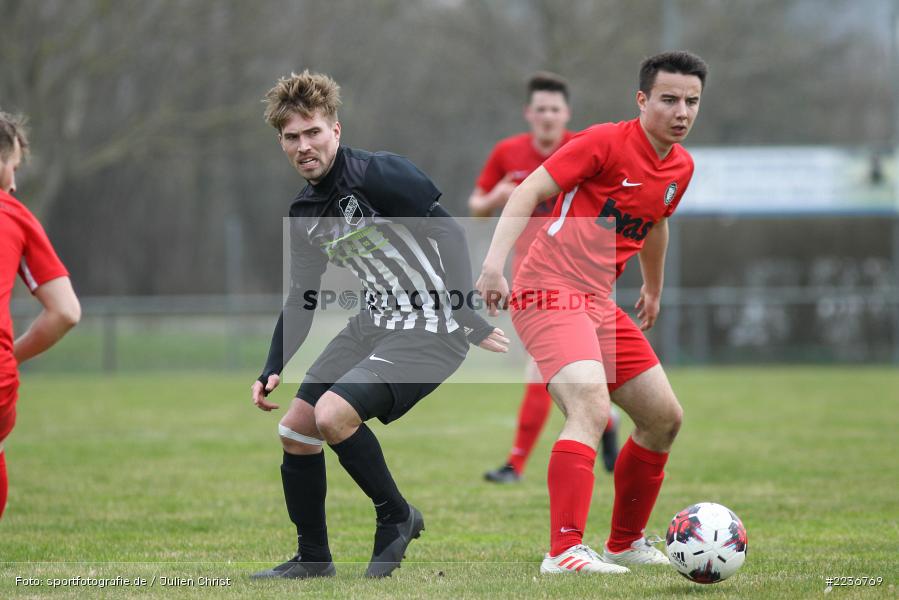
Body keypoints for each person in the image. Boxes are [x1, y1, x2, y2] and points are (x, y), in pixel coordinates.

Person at [250, 70, 508, 580]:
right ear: (281, 143)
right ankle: (313, 560)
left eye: (313, 132)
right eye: (292, 137)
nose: (305, 145)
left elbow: (451, 234)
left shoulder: (376, 173)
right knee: (296, 431)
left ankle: (397, 516)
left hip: (431, 326)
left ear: (336, 130)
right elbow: (303, 297)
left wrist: (464, 314)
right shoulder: (304, 212)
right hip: (373, 323)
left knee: (332, 416)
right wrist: (273, 364)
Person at [476, 51, 708, 574]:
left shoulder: (681, 166)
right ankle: (563, 552)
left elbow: (656, 219)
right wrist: (492, 265)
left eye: (692, 102)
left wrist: (653, 285)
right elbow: (529, 189)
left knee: (663, 418)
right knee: (590, 406)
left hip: (599, 302)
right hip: (547, 289)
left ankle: (624, 542)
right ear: (642, 99)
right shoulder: (603, 142)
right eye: (669, 99)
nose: (682, 111)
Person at [470, 72, 619, 484]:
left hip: (571, 275)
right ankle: (605, 421)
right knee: (553, 374)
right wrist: (496, 199)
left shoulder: (583, 148)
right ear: (529, 114)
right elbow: (476, 206)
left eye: (555, 109)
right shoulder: (507, 152)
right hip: (526, 275)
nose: (548, 117)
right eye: (541, 110)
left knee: (540, 369)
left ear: (566, 113)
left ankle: (514, 465)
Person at [0, 111, 81, 520]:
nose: (14, 181)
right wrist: (11, 356)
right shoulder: (13, 214)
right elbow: (65, 312)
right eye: (13, 166)